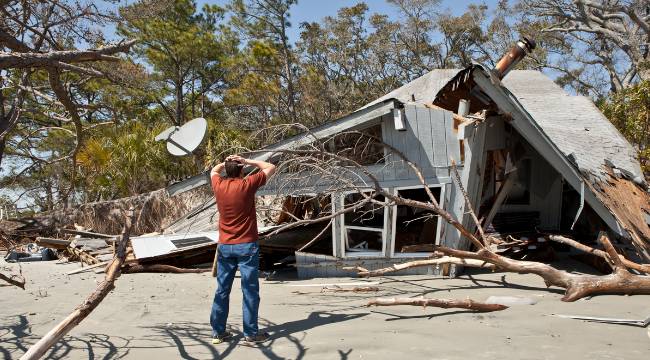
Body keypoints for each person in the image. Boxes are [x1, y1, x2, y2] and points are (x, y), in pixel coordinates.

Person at [209, 154, 276, 345]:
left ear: (227, 170)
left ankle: (218, 332)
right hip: (247, 245)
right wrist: (247, 161)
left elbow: (214, 170)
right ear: (241, 170)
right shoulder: (247, 184)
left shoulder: (219, 185)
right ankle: (250, 333)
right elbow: (270, 166)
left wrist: (227, 163)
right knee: (250, 290)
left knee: (222, 290)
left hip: (225, 246)